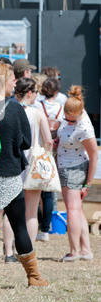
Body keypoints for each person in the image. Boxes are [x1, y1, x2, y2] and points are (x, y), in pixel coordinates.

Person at [0, 61, 50, 289]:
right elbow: (26, 142)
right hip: (10, 175)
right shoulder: (15, 108)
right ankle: (34, 277)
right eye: (11, 80)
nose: (14, 83)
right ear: (1, 82)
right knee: (19, 227)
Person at [57, 86, 98, 262]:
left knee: (72, 210)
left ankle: (74, 251)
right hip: (69, 167)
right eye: (66, 119)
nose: (68, 122)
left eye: (71, 121)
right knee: (77, 210)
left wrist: (88, 184)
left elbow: (95, 156)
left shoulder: (84, 129)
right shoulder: (79, 112)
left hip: (73, 170)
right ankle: (86, 250)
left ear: (79, 115)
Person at [14, 78, 53, 245]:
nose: (38, 95)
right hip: (34, 163)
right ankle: (28, 249)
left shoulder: (10, 110)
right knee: (31, 212)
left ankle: (10, 248)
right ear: (29, 93)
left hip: (14, 162)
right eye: (36, 92)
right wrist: (48, 158)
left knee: (13, 211)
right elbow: (49, 141)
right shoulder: (37, 113)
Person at [34, 77, 64, 241]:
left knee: (34, 189)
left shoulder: (38, 106)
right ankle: (45, 228)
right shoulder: (61, 108)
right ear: (57, 92)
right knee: (48, 192)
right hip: (54, 152)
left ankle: (35, 225)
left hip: (39, 150)